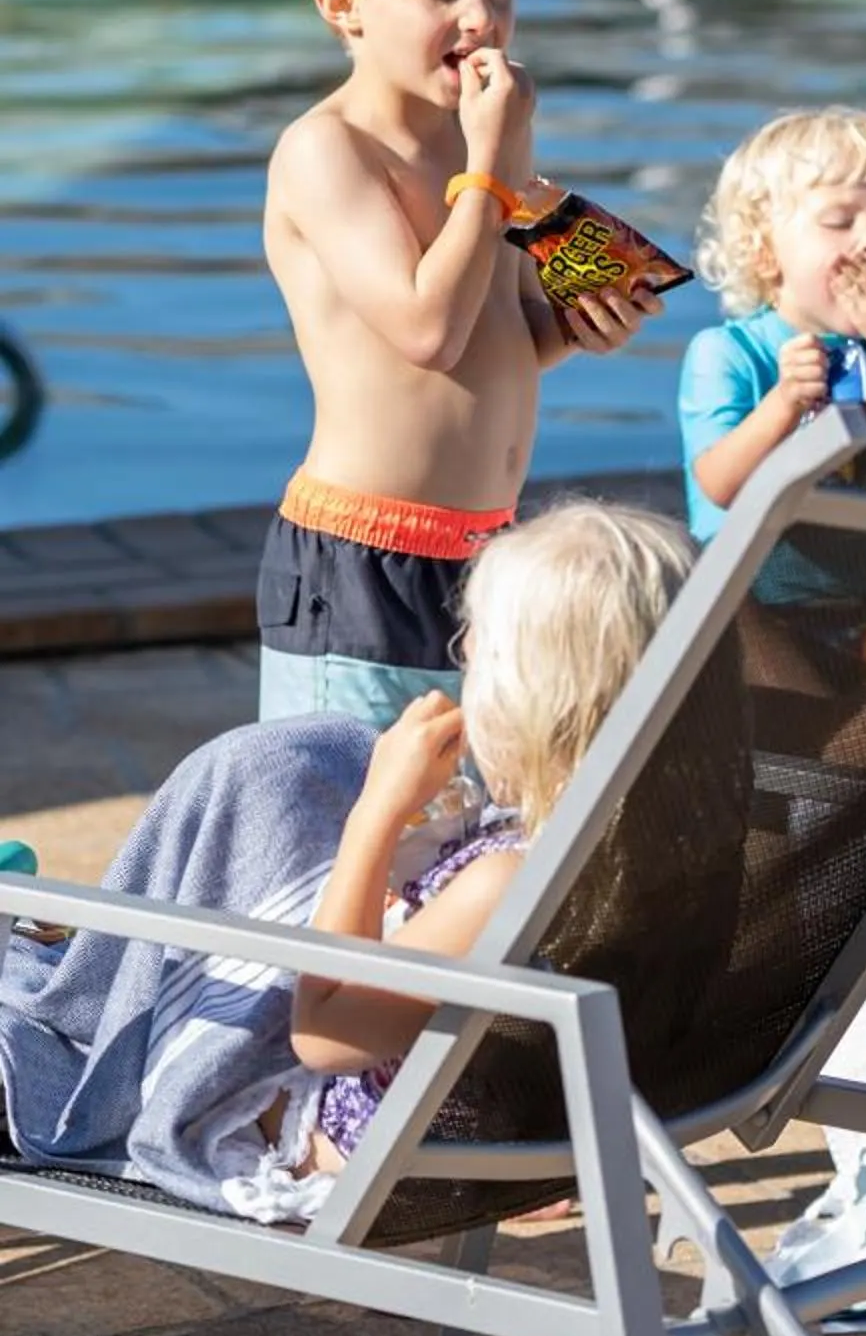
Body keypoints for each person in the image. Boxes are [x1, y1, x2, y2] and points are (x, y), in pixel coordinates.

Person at [0, 501, 697, 1219]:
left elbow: (326, 1036)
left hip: (321, 1129)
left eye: (477, 651)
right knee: (285, 766)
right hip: (498, 1118)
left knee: (253, 774)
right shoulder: (661, 847)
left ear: (536, 696)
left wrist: (377, 811)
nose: (464, 668)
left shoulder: (508, 883)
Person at [258, 0, 664, 729]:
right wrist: (493, 169)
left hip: (484, 550)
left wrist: (578, 324)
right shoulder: (327, 152)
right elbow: (425, 331)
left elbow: (498, 332)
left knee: (457, 831)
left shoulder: (481, 144)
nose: (481, 17)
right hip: (363, 558)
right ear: (344, 4)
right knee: (357, 821)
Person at [677, 106, 866, 541]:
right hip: (753, 587)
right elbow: (720, 484)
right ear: (764, 254)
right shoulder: (727, 351)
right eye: (839, 222)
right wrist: (785, 401)